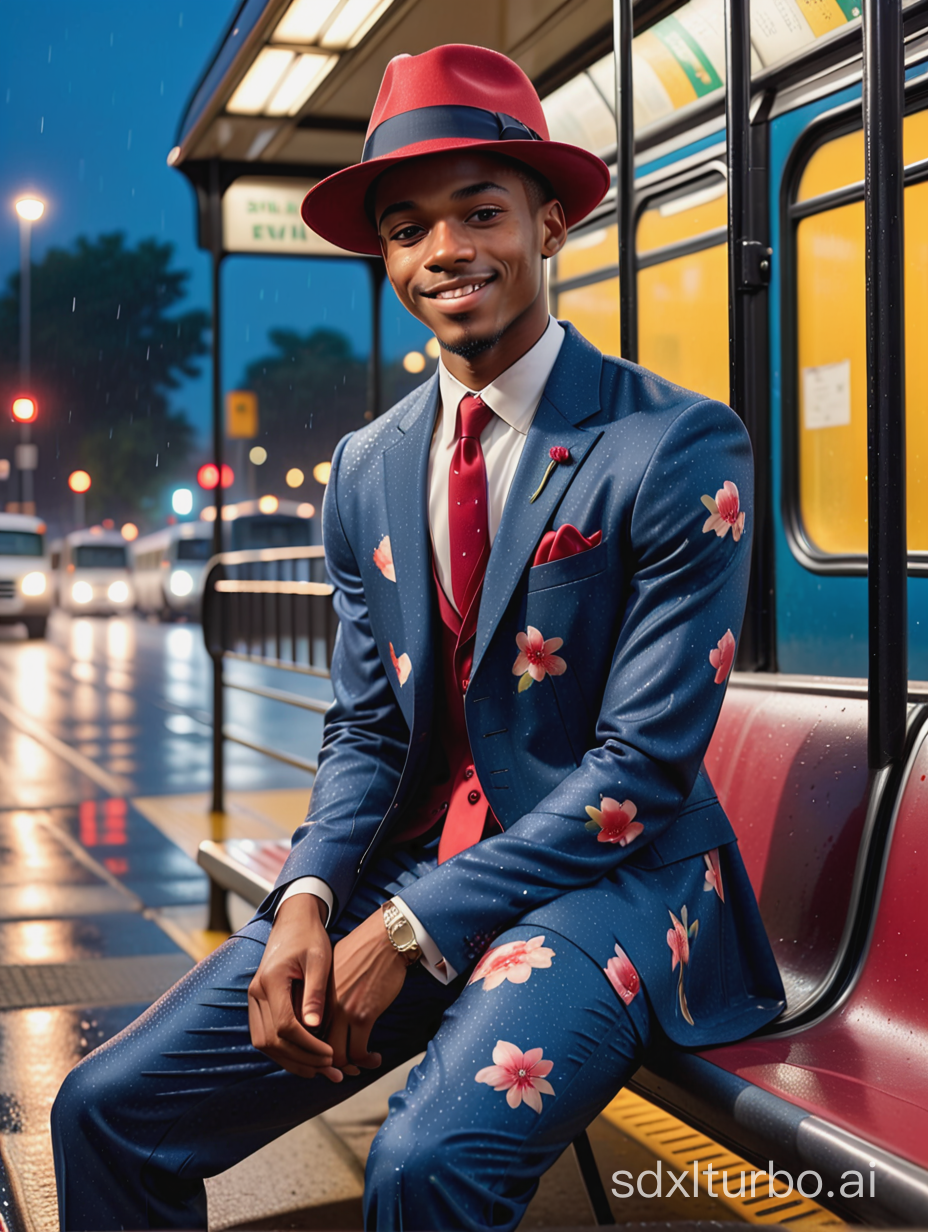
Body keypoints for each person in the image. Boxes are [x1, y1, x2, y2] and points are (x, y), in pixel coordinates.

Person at [51, 43, 785, 1232]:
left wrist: (407, 924)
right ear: (386, 257)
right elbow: (369, 724)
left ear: (549, 223)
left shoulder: (676, 445)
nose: (445, 250)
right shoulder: (368, 466)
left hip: (619, 881)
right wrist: (302, 895)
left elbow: (640, 774)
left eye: (481, 211)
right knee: (102, 1107)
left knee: (423, 1165)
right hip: (411, 869)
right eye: (406, 228)